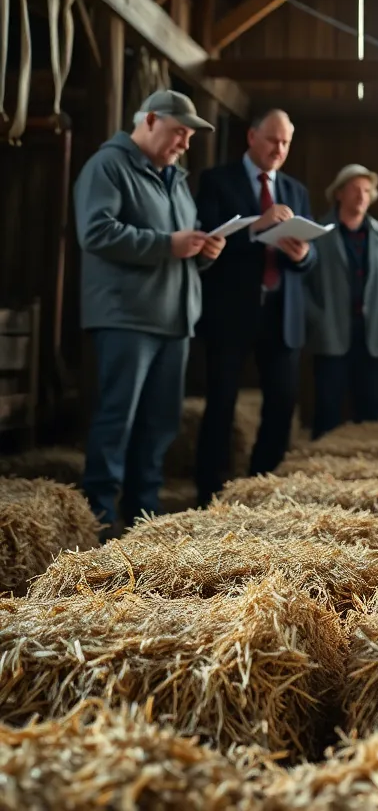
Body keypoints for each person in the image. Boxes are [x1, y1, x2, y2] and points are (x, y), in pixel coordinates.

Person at [73, 89, 225, 535]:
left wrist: (204, 250)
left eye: (190, 137)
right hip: (126, 317)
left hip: (173, 317)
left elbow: (181, 245)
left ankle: (142, 518)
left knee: (159, 424)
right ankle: (100, 519)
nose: (185, 143)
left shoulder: (174, 178)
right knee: (117, 419)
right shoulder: (108, 166)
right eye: (180, 132)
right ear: (151, 120)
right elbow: (96, 231)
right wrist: (168, 244)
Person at [192, 108, 317, 505]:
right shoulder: (216, 181)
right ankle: (210, 494)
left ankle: (259, 489)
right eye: (272, 140)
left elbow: (311, 259)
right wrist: (257, 227)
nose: (279, 149)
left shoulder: (296, 191)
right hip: (230, 312)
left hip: (282, 314)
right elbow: (207, 247)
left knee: (281, 405)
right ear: (251, 137)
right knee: (221, 404)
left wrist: (302, 256)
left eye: (286, 142)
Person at [304, 163, 378, 437]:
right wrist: (316, 316)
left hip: (374, 333)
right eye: (354, 189)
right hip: (331, 332)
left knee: (370, 408)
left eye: (366, 190)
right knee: (327, 408)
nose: (362, 196)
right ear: (339, 193)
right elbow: (301, 281)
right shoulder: (318, 233)